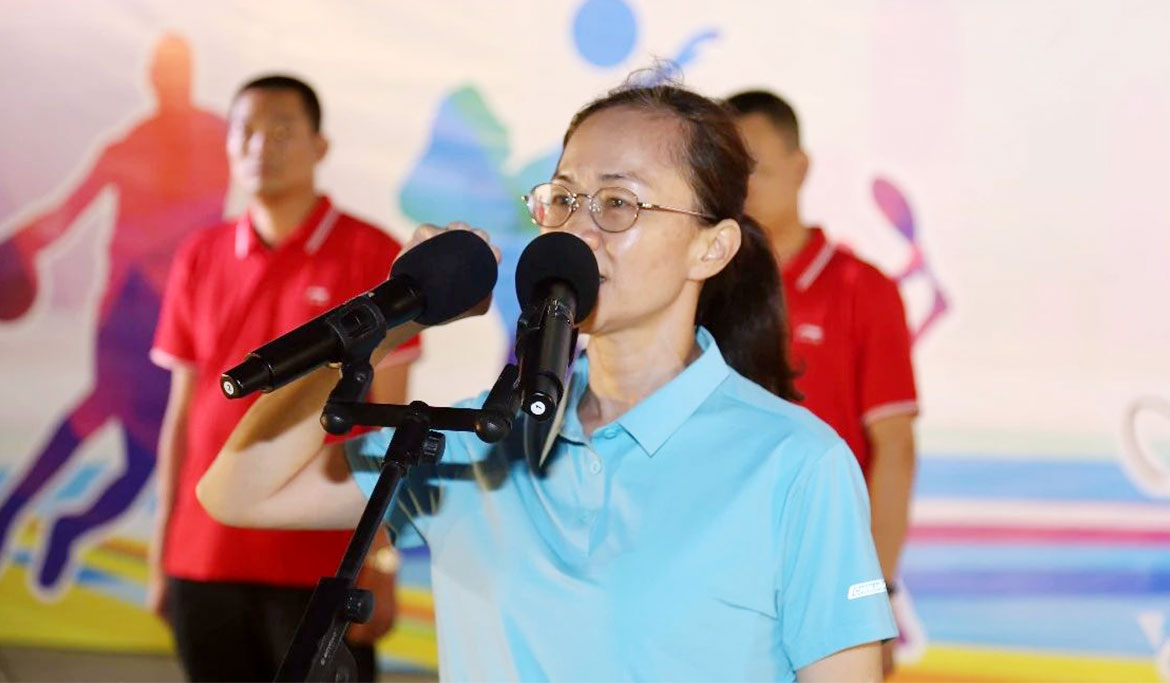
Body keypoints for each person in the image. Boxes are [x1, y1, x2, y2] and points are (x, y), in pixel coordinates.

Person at [198, 82, 895, 681]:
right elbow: (237, 492)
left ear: (711, 247)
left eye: (618, 204)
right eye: (563, 200)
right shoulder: (478, 439)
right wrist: (390, 321)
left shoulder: (796, 463)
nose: (577, 232)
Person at [149, 74, 419, 682]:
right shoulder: (200, 254)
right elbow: (183, 418)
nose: (259, 147)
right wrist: (163, 549)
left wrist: (382, 562)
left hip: (323, 564)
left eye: (281, 131)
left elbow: (390, 427)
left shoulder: (372, 254)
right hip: (204, 557)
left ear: (320, 146)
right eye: (244, 131)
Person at [0, 33, 229, 592]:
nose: (169, 79)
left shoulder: (220, 137)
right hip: (129, 310)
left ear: (190, 74)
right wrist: (21, 246)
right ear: (151, 78)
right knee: (99, 406)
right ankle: (10, 514)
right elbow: (67, 212)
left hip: (184, 323)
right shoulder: (127, 147)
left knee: (141, 466)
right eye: (161, 69)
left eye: (178, 68)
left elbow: (209, 215)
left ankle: (67, 527)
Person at [728, 90, 919, 676]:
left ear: (800, 167)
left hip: (828, 572)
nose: (742, 187)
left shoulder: (863, 288)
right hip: (727, 572)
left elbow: (895, 448)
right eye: (729, 172)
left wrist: (875, 595)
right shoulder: (706, 288)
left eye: (756, 168)